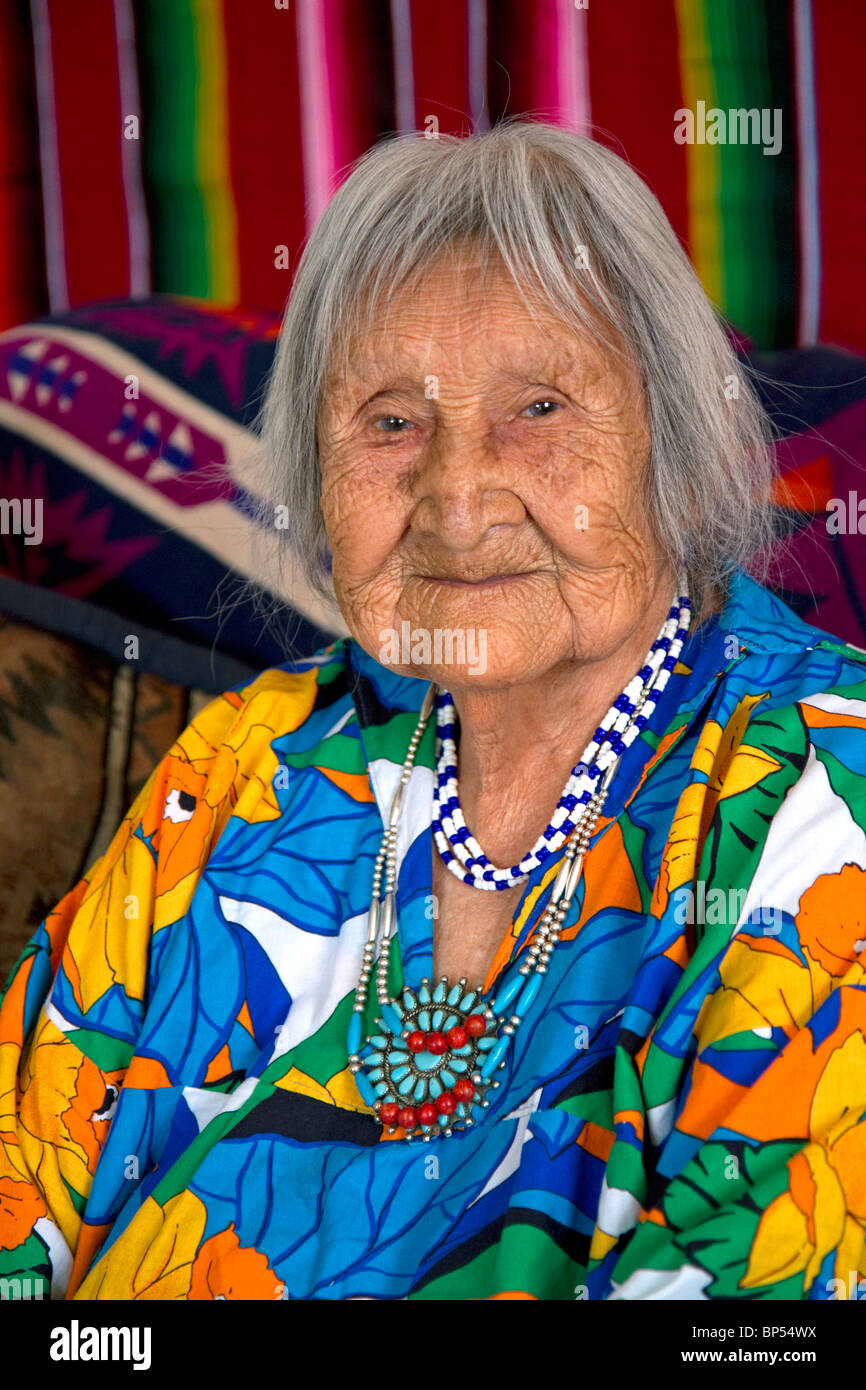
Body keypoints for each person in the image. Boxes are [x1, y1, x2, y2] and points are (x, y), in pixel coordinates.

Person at [1, 119, 864, 1302]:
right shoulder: (251, 758)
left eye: (540, 408)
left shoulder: (817, 803)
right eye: (391, 422)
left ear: (673, 430)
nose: (456, 499)